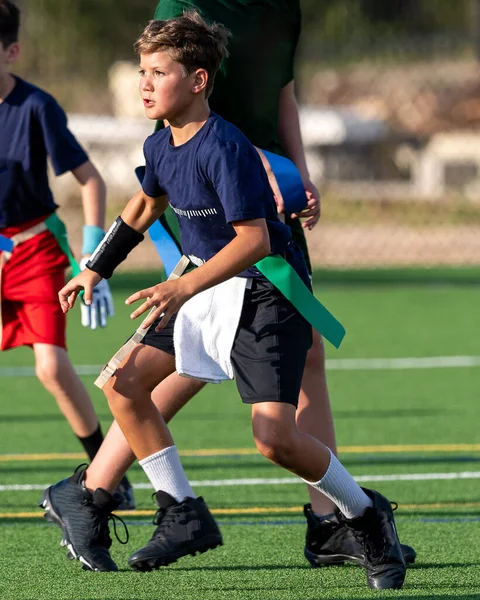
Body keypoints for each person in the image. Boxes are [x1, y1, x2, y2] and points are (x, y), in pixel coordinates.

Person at [40, 12, 407, 590]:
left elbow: (255, 240)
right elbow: (143, 208)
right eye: (141, 71)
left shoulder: (225, 147)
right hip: (203, 286)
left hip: (262, 293)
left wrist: (181, 286)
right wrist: (94, 267)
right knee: (122, 383)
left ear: (198, 81)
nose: (143, 83)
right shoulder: (161, 144)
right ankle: (182, 512)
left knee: (274, 441)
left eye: (158, 72)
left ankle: (365, 515)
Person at [0, 0, 133, 506]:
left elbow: (90, 179)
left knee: (51, 369)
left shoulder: (36, 107)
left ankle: (110, 475)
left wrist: (92, 258)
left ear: (11, 51)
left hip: (35, 249)